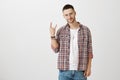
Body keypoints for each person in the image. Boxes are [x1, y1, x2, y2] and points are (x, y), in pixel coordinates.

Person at [49, 4, 93, 80]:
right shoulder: (61, 31)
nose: (69, 17)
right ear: (63, 16)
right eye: (66, 15)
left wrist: (89, 67)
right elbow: (56, 49)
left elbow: (89, 51)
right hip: (64, 71)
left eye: (71, 14)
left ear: (75, 12)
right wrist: (52, 35)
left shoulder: (86, 30)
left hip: (80, 71)